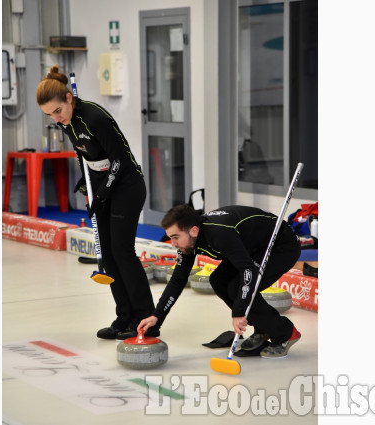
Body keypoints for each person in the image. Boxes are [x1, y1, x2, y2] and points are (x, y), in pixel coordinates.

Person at [36, 66, 157, 340]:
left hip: (126, 185)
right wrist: (86, 182)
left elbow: (120, 162)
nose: (56, 118)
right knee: (109, 256)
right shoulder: (67, 122)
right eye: (49, 115)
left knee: (122, 251)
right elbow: (83, 154)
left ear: (69, 98)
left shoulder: (94, 117)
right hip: (102, 185)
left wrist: (101, 194)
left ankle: (146, 319)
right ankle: (124, 317)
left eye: (57, 110)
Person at [138, 204, 302, 358]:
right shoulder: (188, 242)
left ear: (193, 231)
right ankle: (263, 328)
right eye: (170, 238)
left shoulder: (219, 234)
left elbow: (248, 270)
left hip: (279, 246)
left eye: (175, 237)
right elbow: (178, 280)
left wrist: (238, 312)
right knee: (219, 280)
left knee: (238, 287)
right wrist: (157, 317)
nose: (173, 244)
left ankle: (285, 333)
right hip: (252, 247)